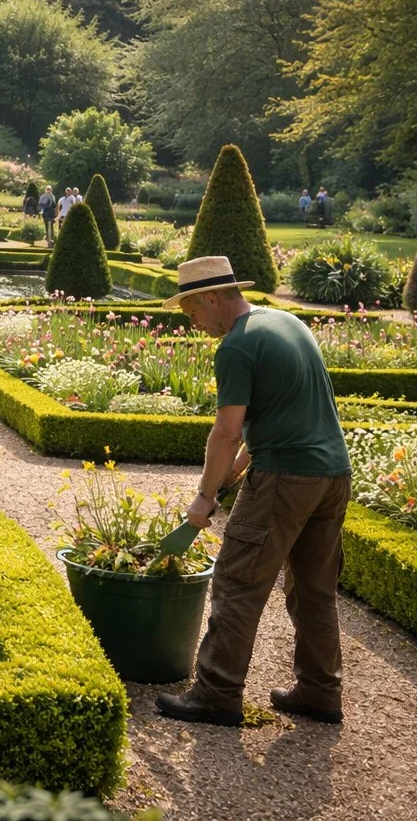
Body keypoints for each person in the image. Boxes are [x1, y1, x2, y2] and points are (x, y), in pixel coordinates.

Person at [156, 256, 351, 728]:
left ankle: (217, 694)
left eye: (191, 312)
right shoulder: (284, 322)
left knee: (237, 582)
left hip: (287, 478)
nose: (193, 323)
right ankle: (321, 692)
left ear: (210, 298)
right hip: (333, 474)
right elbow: (272, 419)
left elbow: (225, 433)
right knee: (314, 590)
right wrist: (236, 472)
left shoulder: (236, 347)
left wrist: (204, 498)